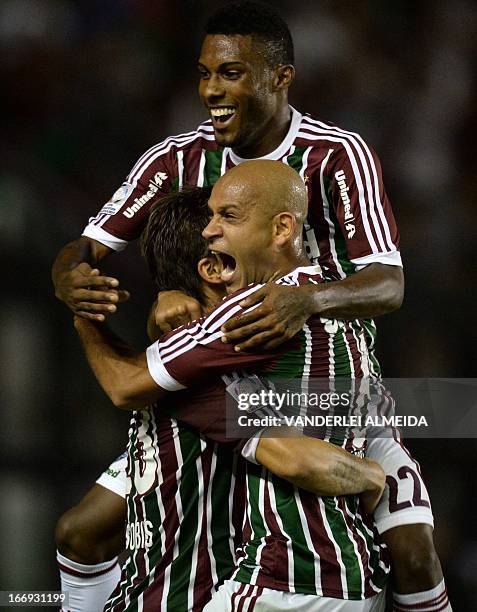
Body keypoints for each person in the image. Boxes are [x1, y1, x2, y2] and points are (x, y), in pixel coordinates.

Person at [52, 2, 449, 610]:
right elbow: (86, 248)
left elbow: (388, 283)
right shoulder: (175, 159)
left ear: (280, 77)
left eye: (231, 73)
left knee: (414, 551)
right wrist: (71, 281)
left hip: (331, 392)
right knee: (84, 530)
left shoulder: (334, 156)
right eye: (205, 73)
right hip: (213, 374)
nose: (212, 89)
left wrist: (306, 300)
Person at [75, 160, 391, 610]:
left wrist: (84, 313)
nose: (212, 230)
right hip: (351, 569)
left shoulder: (236, 331)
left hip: (287, 580)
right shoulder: (331, 297)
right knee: (418, 555)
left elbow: (124, 386)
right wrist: (371, 474)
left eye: (228, 217)